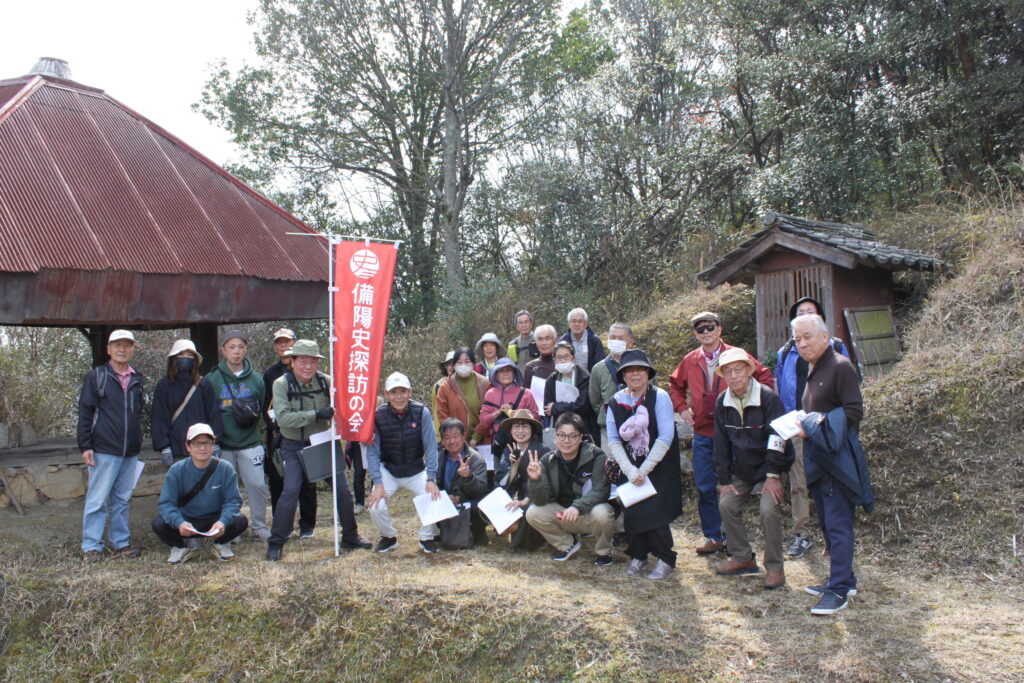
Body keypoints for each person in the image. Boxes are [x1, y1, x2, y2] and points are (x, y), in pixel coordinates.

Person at [668, 312, 774, 555]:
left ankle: (736, 540)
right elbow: (675, 385)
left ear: (719, 329)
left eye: (710, 327)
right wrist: (682, 408)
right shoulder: (690, 360)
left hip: (735, 433)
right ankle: (714, 536)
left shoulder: (736, 355)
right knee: (705, 486)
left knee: (735, 487)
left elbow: (764, 376)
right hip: (703, 434)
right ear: (695, 334)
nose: (706, 332)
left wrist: (755, 406)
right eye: (700, 329)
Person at [792, 315, 873, 615]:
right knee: (827, 522)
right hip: (818, 456)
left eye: (807, 337)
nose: (802, 344)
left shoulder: (840, 366)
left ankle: (838, 591)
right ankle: (844, 579)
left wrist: (811, 426)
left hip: (835, 458)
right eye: (798, 339)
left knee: (838, 525)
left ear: (825, 336)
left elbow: (853, 411)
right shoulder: (813, 366)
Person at [266, 340, 370, 560]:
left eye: (313, 361)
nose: (308, 366)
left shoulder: (327, 382)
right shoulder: (281, 384)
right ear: (293, 361)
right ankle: (276, 543)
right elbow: (283, 419)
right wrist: (315, 415)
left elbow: (345, 407)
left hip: (323, 442)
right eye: (303, 361)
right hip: (293, 444)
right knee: (291, 490)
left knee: (342, 490)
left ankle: (350, 537)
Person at [776, 297, 852, 559]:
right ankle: (802, 533)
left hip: (829, 427)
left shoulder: (837, 350)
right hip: (798, 425)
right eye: (800, 313)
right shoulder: (786, 352)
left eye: (811, 312)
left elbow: (849, 394)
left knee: (830, 482)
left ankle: (833, 537)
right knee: (800, 483)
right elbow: (782, 387)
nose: (803, 341)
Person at [712, 348, 794, 590]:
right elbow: (721, 443)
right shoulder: (722, 402)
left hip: (771, 466)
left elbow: (778, 438)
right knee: (726, 505)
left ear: (749, 370)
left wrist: (773, 476)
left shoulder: (768, 398)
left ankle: (775, 568)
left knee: (768, 509)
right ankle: (742, 558)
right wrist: (724, 480)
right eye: (728, 371)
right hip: (742, 469)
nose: (734, 375)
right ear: (723, 376)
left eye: (739, 369)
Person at [606, 350, 683, 580]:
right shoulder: (616, 401)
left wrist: (644, 469)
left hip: (659, 463)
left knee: (655, 511)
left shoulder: (659, 397)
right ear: (623, 376)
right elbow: (613, 439)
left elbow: (666, 436)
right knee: (634, 510)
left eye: (640, 369)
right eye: (629, 370)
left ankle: (665, 557)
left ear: (648, 373)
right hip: (629, 464)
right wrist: (630, 471)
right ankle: (638, 554)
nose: (635, 374)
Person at [77, 329, 145, 562]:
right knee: (97, 500)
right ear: (108, 349)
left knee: (122, 500)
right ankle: (92, 546)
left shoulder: (138, 378)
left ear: (133, 349)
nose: (122, 349)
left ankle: (120, 544)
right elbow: (86, 413)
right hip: (104, 448)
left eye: (127, 345)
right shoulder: (97, 376)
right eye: (117, 345)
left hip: (130, 450)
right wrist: (85, 445)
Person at [365, 372, 442, 553]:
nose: (398, 396)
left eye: (403, 391)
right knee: (375, 506)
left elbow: (431, 448)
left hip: (416, 469)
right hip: (389, 470)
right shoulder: (378, 416)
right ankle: (389, 537)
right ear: (386, 394)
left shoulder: (421, 412)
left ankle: (426, 537)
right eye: (394, 392)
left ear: (410, 392)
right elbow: (373, 453)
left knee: (433, 498)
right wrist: (377, 483)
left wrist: (431, 478)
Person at [205, 330, 270, 541]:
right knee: (225, 489)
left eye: (241, 347)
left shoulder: (257, 380)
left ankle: (259, 526)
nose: (236, 352)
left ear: (246, 349)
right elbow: (207, 411)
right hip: (222, 444)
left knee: (257, 485)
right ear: (223, 350)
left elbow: (264, 409)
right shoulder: (212, 379)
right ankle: (231, 527)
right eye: (232, 347)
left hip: (250, 442)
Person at [152, 423, 249, 564]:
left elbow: (233, 501)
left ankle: (221, 544)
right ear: (188, 447)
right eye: (197, 444)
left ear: (213, 444)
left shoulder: (225, 468)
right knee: (158, 524)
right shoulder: (176, 470)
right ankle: (180, 548)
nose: (202, 448)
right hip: (187, 519)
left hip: (214, 518)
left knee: (241, 520)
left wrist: (223, 522)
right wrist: (180, 523)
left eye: (207, 443)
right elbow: (167, 504)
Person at [525, 412, 614, 564]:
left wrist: (577, 507)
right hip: (563, 514)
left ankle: (604, 552)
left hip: (588, 513)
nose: (566, 441)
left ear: (580, 437)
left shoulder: (596, 455)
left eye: (572, 436)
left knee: (603, 513)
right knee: (533, 512)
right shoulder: (547, 460)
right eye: (561, 435)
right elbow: (541, 501)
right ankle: (567, 544)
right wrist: (535, 480)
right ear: (555, 437)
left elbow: (601, 491)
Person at [263, 328, 317, 538]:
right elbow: (267, 406)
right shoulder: (270, 374)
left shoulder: (309, 369)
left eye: (288, 342)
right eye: (280, 343)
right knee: (280, 482)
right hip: (280, 435)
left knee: (308, 480)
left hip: (308, 433)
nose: (284, 346)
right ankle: (283, 525)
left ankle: (307, 525)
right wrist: (276, 427)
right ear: (276, 347)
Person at [151, 339, 221, 468]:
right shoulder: (164, 385)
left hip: (202, 447)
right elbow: (159, 417)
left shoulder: (203, 384)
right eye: (181, 355)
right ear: (173, 358)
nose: (185, 358)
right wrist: (163, 446)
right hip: (176, 448)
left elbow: (213, 414)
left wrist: (215, 442)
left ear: (195, 360)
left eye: (189, 355)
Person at [493, 410, 548, 550]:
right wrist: (515, 466)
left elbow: (548, 483)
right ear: (511, 430)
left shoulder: (543, 451)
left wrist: (526, 500)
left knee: (528, 509)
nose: (520, 431)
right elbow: (503, 484)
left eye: (525, 426)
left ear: (532, 429)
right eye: (516, 426)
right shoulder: (508, 451)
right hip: (518, 496)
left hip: (537, 496)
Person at [436, 418, 490, 546]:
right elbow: (433, 482)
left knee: (479, 506)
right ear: (443, 440)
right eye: (447, 438)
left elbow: (479, 491)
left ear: (464, 436)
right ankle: (440, 531)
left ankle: (476, 532)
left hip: (468, 501)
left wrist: (468, 477)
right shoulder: (439, 456)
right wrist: (445, 497)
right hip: (447, 500)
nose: (452, 441)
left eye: (456, 436)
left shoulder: (476, 459)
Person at [589, 323, 635, 451]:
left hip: (638, 427)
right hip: (608, 431)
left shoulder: (642, 366)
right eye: (613, 337)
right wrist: (607, 414)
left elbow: (652, 390)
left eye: (621, 338)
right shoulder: (599, 368)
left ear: (630, 342)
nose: (616, 341)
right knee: (611, 468)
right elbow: (595, 400)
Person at [478, 357, 541, 450]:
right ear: (496, 374)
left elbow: (536, 417)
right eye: (501, 371)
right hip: (498, 443)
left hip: (523, 443)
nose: (505, 374)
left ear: (514, 373)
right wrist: (498, 413)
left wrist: (514, 414)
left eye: (509, 370)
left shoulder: (526, 393)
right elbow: (483, 421)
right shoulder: (490, 394)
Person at [436, 347, 491, 447]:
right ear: (454, 365)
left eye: (467, 361)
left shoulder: (485, 384)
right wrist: (456, 438)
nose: (463, 365)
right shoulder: (445, 388)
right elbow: (443, 416)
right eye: (459, 362)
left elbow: (490, 412)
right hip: (456, 444)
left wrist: (476, 437)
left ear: (473, 364)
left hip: (483, 442)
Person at [543, 341, 597, 443]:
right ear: (554, 360)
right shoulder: (551, 380)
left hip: (583, 428)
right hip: (560, 429)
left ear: (573, 358)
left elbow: (583, 406)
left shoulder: (584, 377)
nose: (563, 360)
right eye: (559, 357)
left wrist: (556, 407)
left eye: (566, 356)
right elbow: (547, 408)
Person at [559, 308, 606, 372]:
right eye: (574, 321)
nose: (577, 324)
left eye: (580, 321)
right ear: (569, 324)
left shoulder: (595, 340)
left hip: (590, 379)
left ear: (585, 324)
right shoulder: (563, 341)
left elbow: (600, 365)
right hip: (568, 378)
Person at [431, 350, 455, 442]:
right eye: (449, 364)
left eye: (455, 364)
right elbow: (435, 410)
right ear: (445, 367)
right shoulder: (438, 386)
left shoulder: (465, 385)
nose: (452, 367)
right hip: (442, 437)